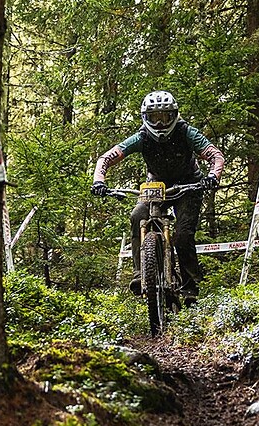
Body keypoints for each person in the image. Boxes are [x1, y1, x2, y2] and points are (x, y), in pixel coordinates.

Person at [90, 90, 225, 300]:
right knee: (138, 216)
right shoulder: (141, 137)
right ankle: (140, 274)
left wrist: (212, 177)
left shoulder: (187, 133)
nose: (160, 123)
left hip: (189, 184)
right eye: (154, 118)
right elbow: (105, 158)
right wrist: (99, 180)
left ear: (174, 116)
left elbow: (215, 155)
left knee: (183, 234)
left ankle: (190, 287)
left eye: (165, 117)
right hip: (156, 184)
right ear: (146, 118)